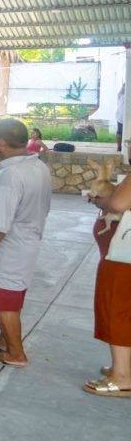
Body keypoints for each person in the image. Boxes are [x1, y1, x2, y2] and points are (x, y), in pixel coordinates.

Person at [0, 119, 51, 368]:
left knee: (6, 300)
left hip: (7, 249)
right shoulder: (37, 167)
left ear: (1, 143)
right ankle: (4, 340)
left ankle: (15, 353)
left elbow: (1, 221)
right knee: (5, 295)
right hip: (25, 242)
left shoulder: (11, 177)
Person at [85, 174, 131, 397]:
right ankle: (124, 367)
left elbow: (118, 204)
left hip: (123, 259)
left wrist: (98, 200)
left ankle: (122, 376)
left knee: (117, 309)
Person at [117, 84, 125, 154]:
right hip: (122, 117)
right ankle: (119, 146)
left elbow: (119, 93)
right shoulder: (122, 95)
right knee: (120, 132)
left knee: (119, 132)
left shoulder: (121, 95)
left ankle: (119, 147)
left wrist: (123, 86)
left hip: (120, 117)